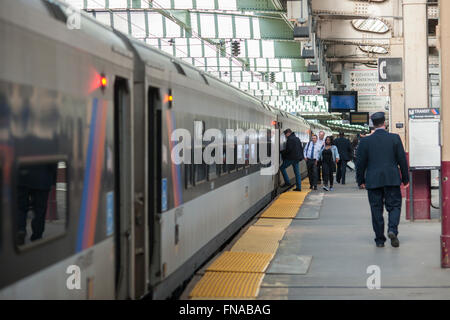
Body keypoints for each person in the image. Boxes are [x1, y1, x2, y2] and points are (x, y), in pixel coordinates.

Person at [356, 112, 409, 248]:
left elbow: (360, 163)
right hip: (392, 179)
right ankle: (392, 230)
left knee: (376, 209)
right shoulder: (395, 138)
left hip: (373, 180)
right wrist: (405, 178)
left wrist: (360, 180)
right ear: (384, 123)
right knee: (395, 206)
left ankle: (380, 240)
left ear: (373, 124)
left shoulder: (365, 141)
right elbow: (402, 160)